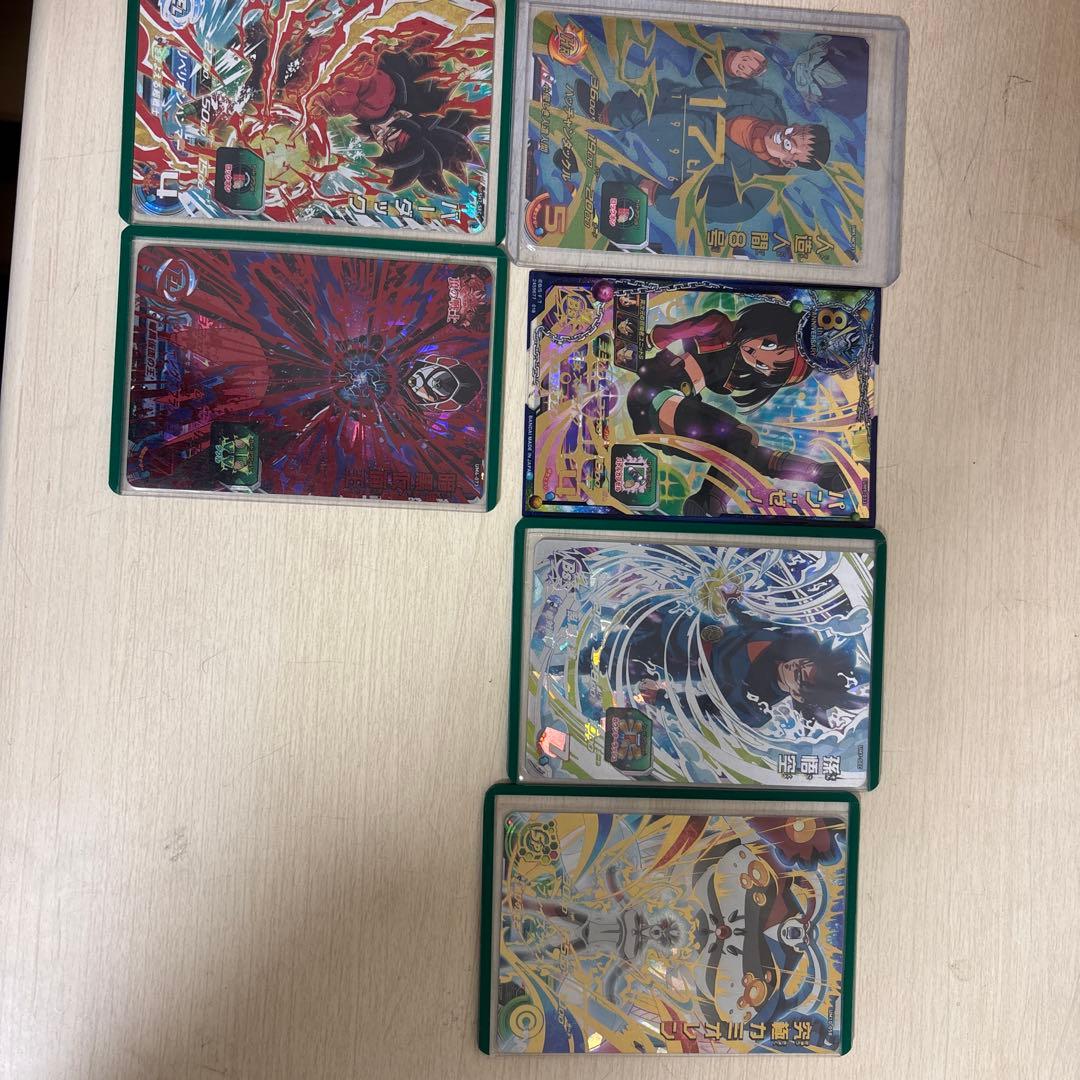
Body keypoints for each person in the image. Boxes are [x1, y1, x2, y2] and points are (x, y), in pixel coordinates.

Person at [624, 303, 849, 514]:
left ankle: (818, 472)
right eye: (768, 344)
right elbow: (670, 334)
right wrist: (651, 340)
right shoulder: (720, 327)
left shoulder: (738, 368)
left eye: (763, 365)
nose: (756, 356)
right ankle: (709, 500)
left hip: (661, 417)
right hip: (654, 396)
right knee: (742, 438)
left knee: (740, 452)